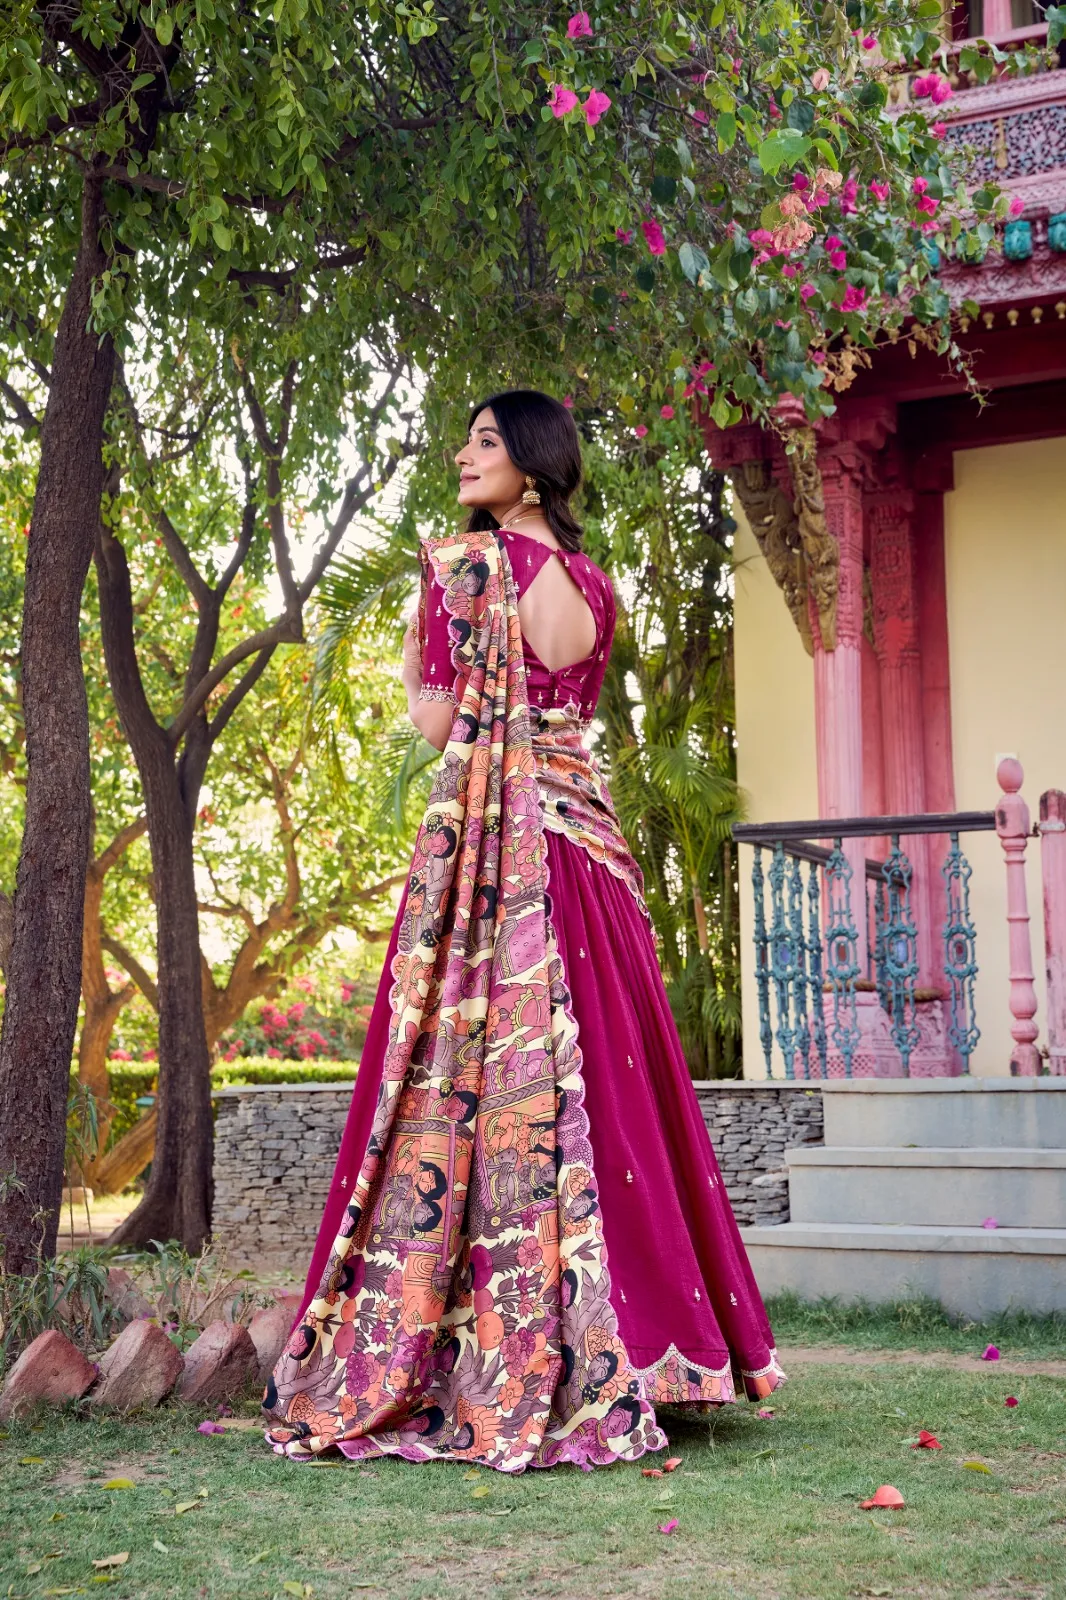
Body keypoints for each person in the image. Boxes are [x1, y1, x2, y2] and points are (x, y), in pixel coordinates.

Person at [262, 389, 785, 1472]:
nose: (464, 455)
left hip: (499, 856)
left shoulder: (466, 566)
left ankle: (475, 1352)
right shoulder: (594, 581)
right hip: (585, 851)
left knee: (467, 1074)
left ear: (533, 467)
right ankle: (654, 1352)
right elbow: (568, 703)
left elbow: (442, 722)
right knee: (611, 1086)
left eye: (485, 441)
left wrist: (416, 675)